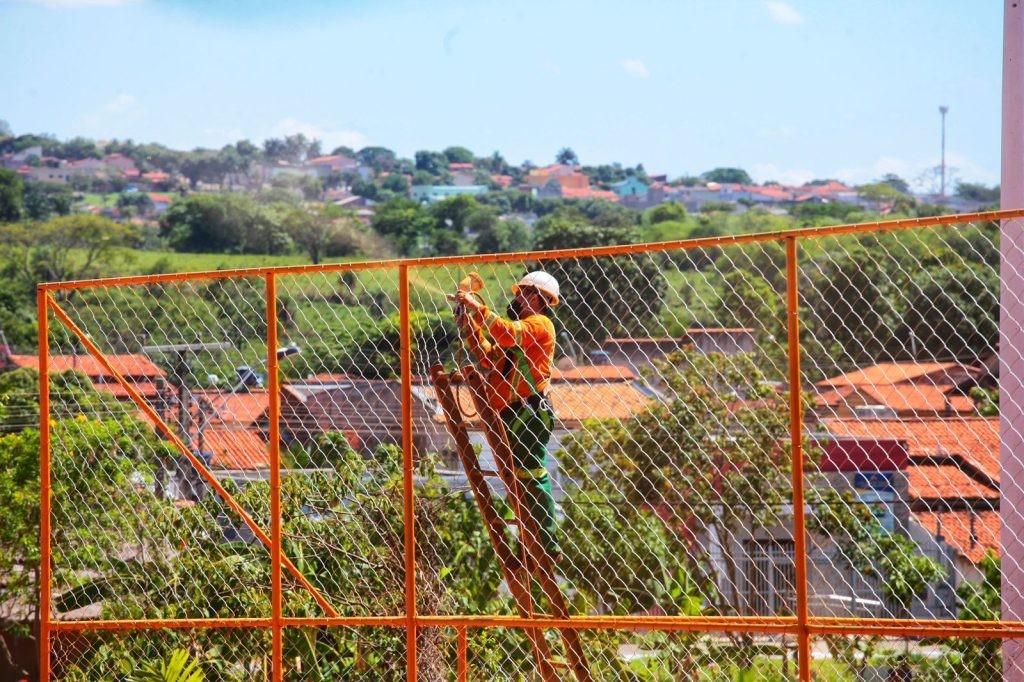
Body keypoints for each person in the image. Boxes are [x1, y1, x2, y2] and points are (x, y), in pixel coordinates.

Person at [454, 271, 562, 564]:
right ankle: (531, 541)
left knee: (531, 474)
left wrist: (477, 308)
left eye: (524, 293)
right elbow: (489, 356)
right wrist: (470, 325)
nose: (518, 297)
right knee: (518, 478)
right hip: (514, 412)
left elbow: (507, 332)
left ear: (538, 299)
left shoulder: (540, 325)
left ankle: (547, 541)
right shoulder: (518, 335)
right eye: (519, 292)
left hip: (530, 412)